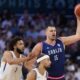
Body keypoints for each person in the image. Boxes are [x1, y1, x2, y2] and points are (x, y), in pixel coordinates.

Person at [27, 14, 80, 80]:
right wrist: (38, 75)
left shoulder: (61, 41)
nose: (53, 32)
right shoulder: (40, 46)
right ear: (46, 33)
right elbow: (28, 63)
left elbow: (78, 36)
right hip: (48, 78)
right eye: (51, 31)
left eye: (54, 31)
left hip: (61, 77)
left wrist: (78, 18)